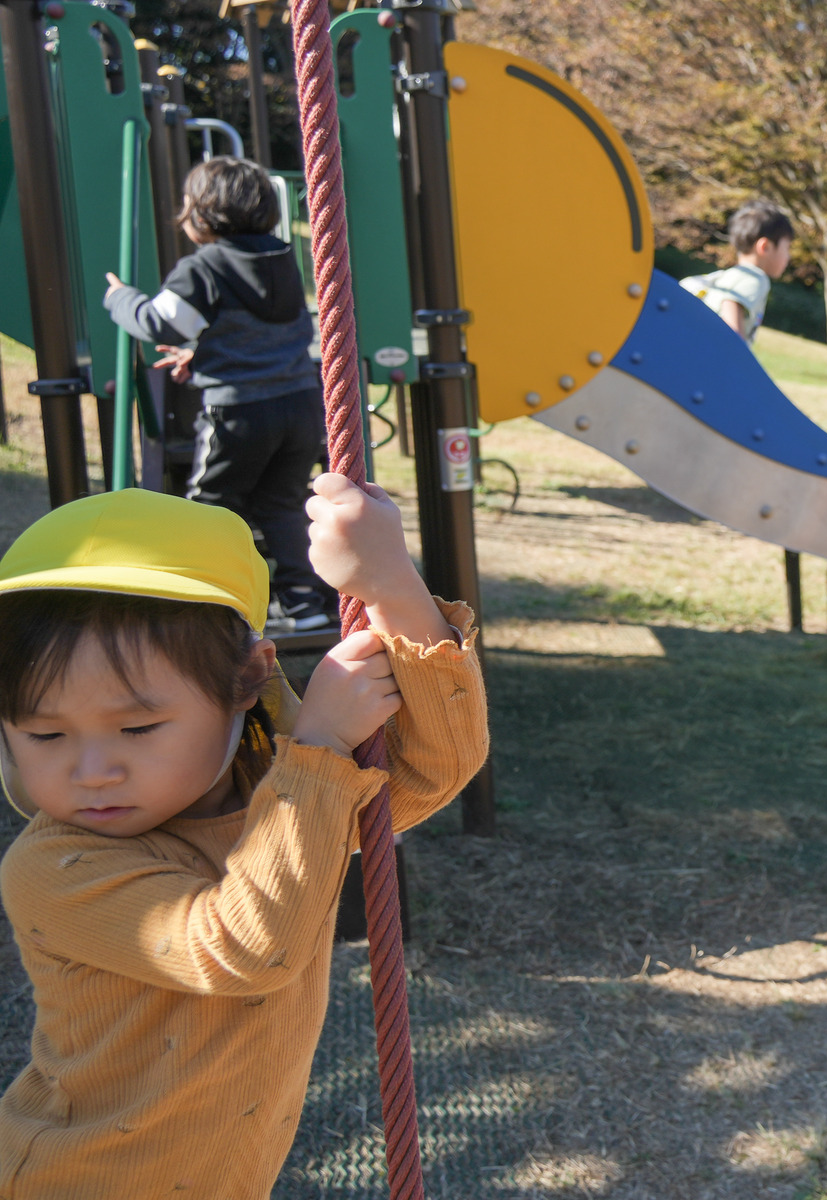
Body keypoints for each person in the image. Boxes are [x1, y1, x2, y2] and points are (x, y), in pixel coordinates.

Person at [0, 482, 488, 1195]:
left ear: (248, 682)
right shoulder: (55, 865)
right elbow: (241, 947)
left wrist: (389, 584)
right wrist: (319, 743)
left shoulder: (276, 782)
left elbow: (427, 770)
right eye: (44, 735)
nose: (92, 771)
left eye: (137, 728)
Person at [104, 156, 337, 634]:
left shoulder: (204, 267)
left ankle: (206, 603)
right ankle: (303, 602)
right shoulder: (280, 259)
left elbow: (158, 322)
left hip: (239, 412)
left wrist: (120, 297)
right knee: (282, 502)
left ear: (204, 214)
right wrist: (204, 352)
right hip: (298, 405)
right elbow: (262, 331)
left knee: (208, 506)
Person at [679, 200, 795, 344]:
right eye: (787, 248)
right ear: (765, 247)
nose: (788, 257)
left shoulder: (728, 276)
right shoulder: (754, 277)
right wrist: (737, 357)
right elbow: (731, 301)